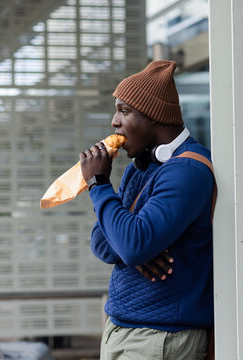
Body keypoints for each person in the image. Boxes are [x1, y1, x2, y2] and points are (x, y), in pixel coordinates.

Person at [80, 60, 215, 359]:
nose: (114, 121)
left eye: (124, 111)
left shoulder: (187, 170)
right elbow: (104, 245)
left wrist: (99, 184)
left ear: (153, 117)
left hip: (160, 337)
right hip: (124, 329)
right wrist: (134, 247)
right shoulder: (140, 168)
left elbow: (131, 244)